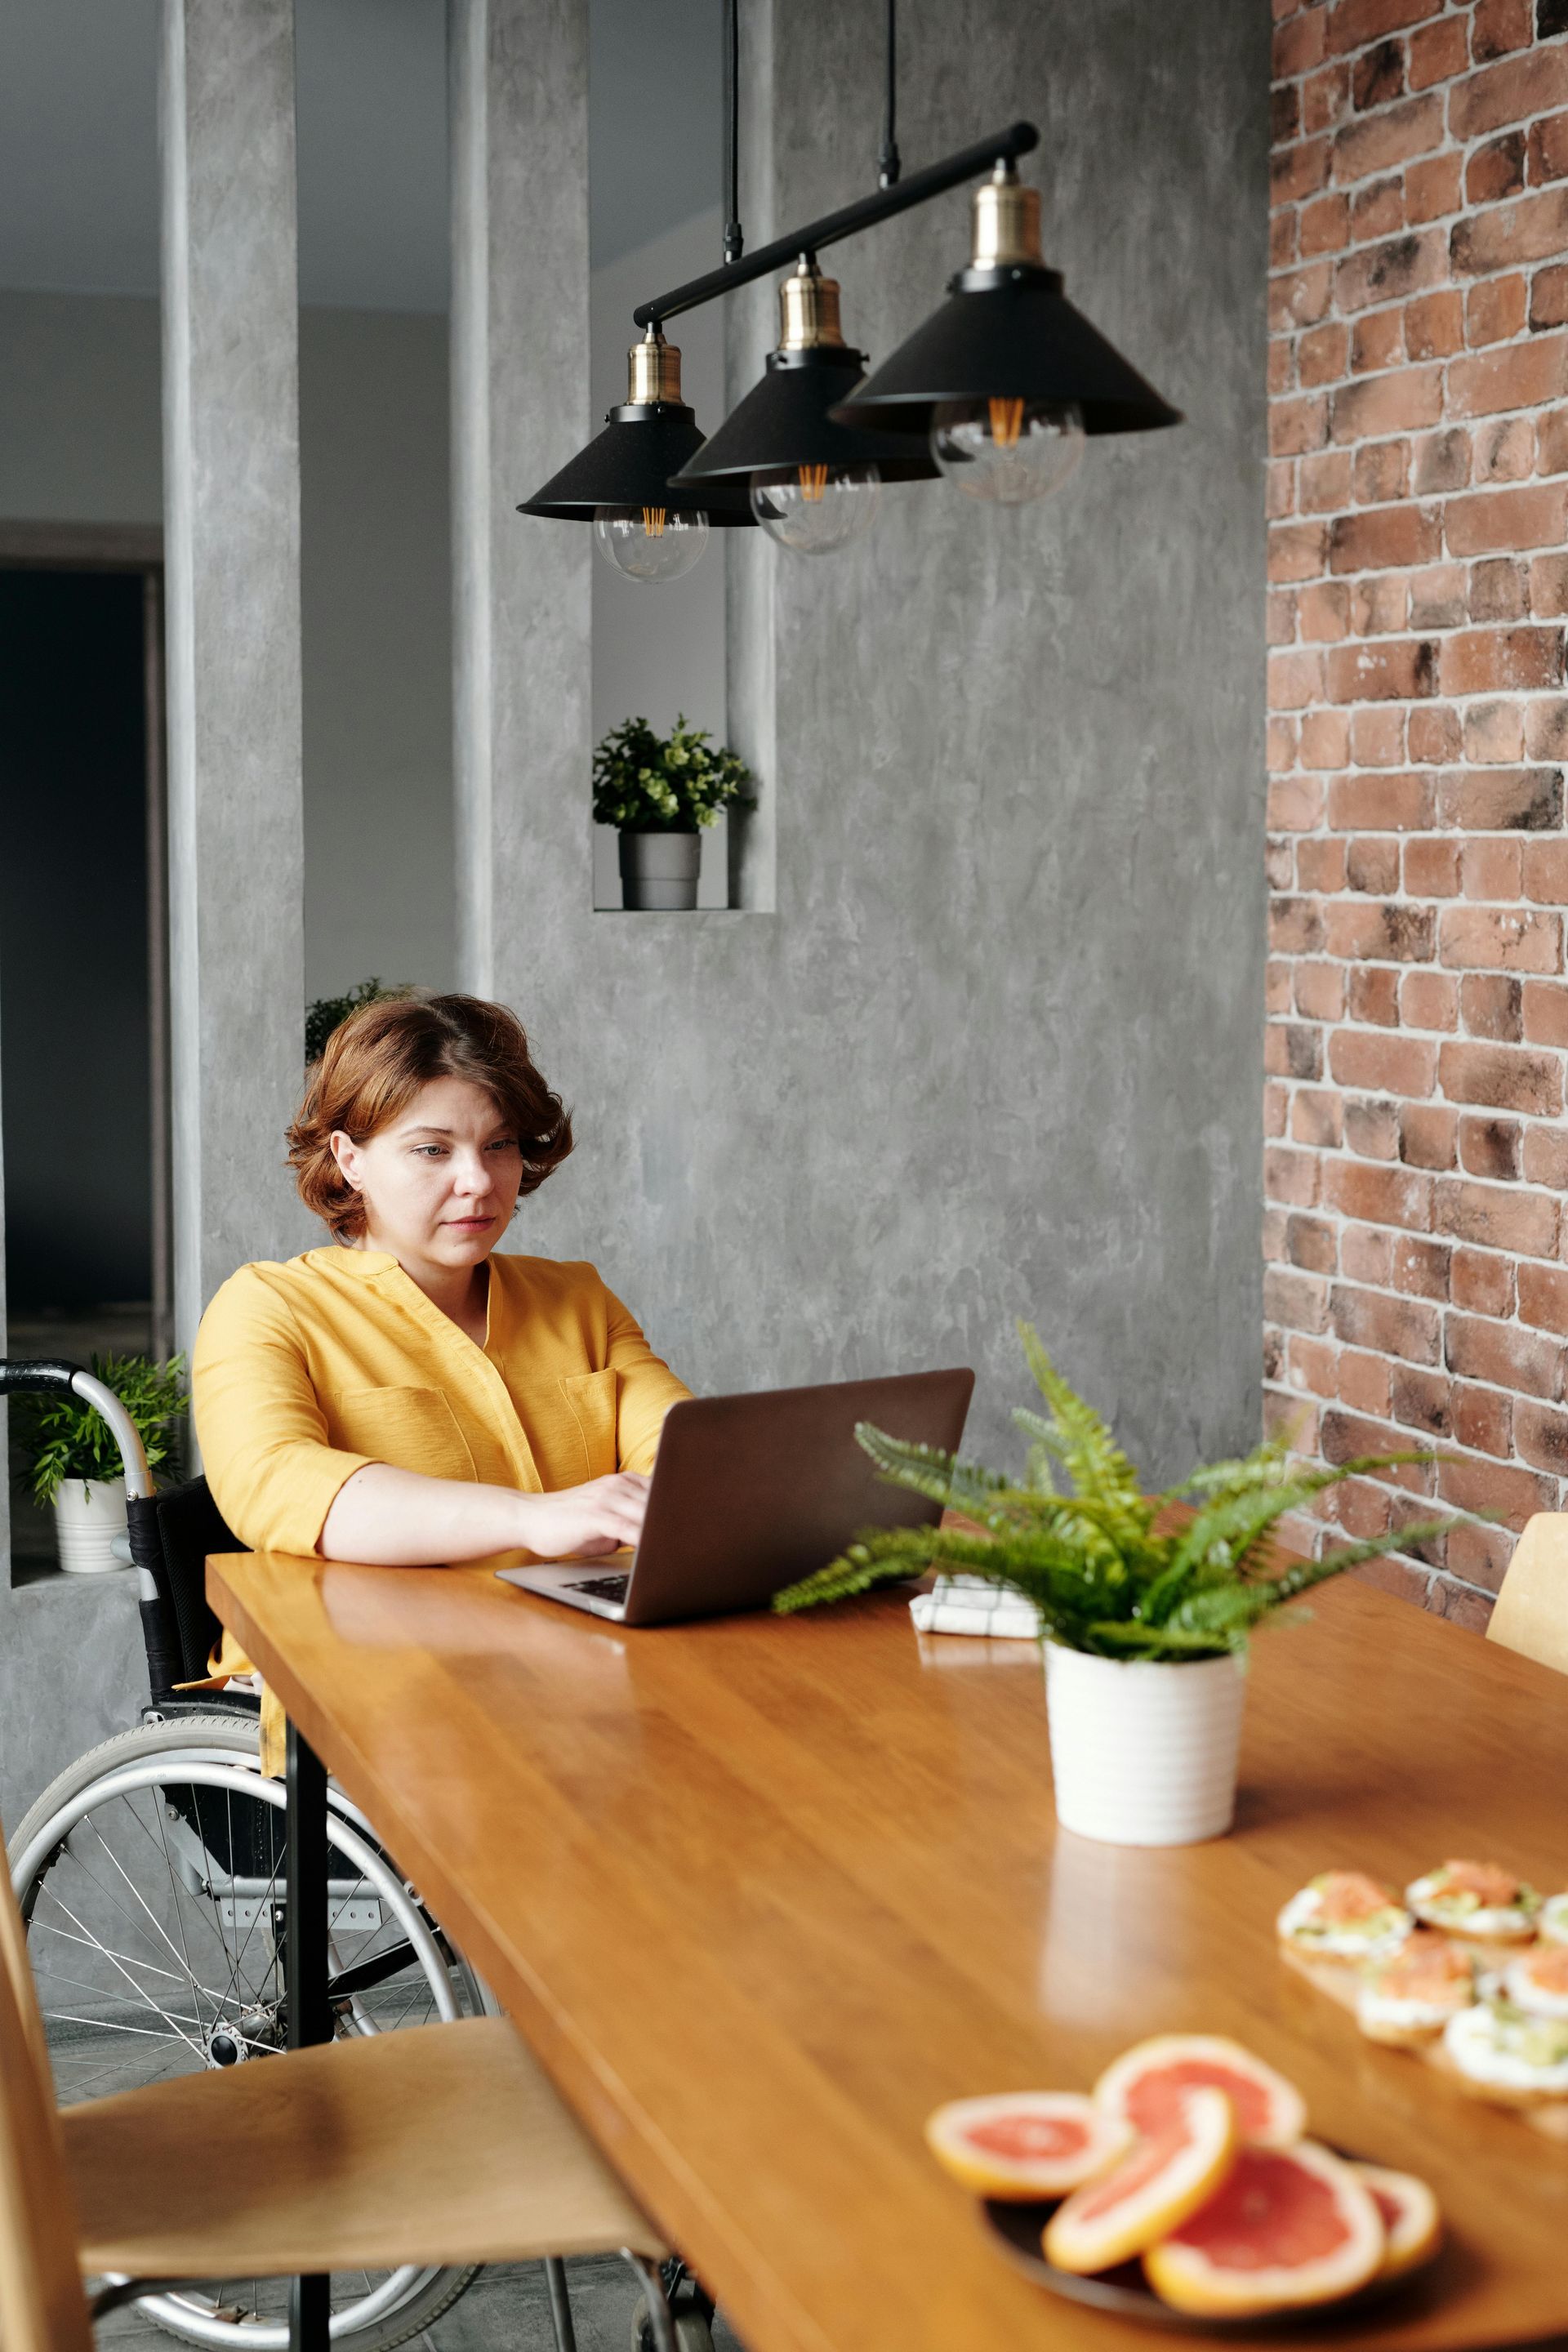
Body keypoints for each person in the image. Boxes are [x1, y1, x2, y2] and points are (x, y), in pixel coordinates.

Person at [192, 991, 690, 1766]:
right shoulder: (267, 1307)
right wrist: (532, 1519)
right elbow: (278, 1483)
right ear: (349, 1159)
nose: (479, 1182)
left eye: (499, 1146)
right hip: (367, 1701)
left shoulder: (577, 1297)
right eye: (433, 1150)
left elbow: (682, 1457)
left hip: (576, 1676)